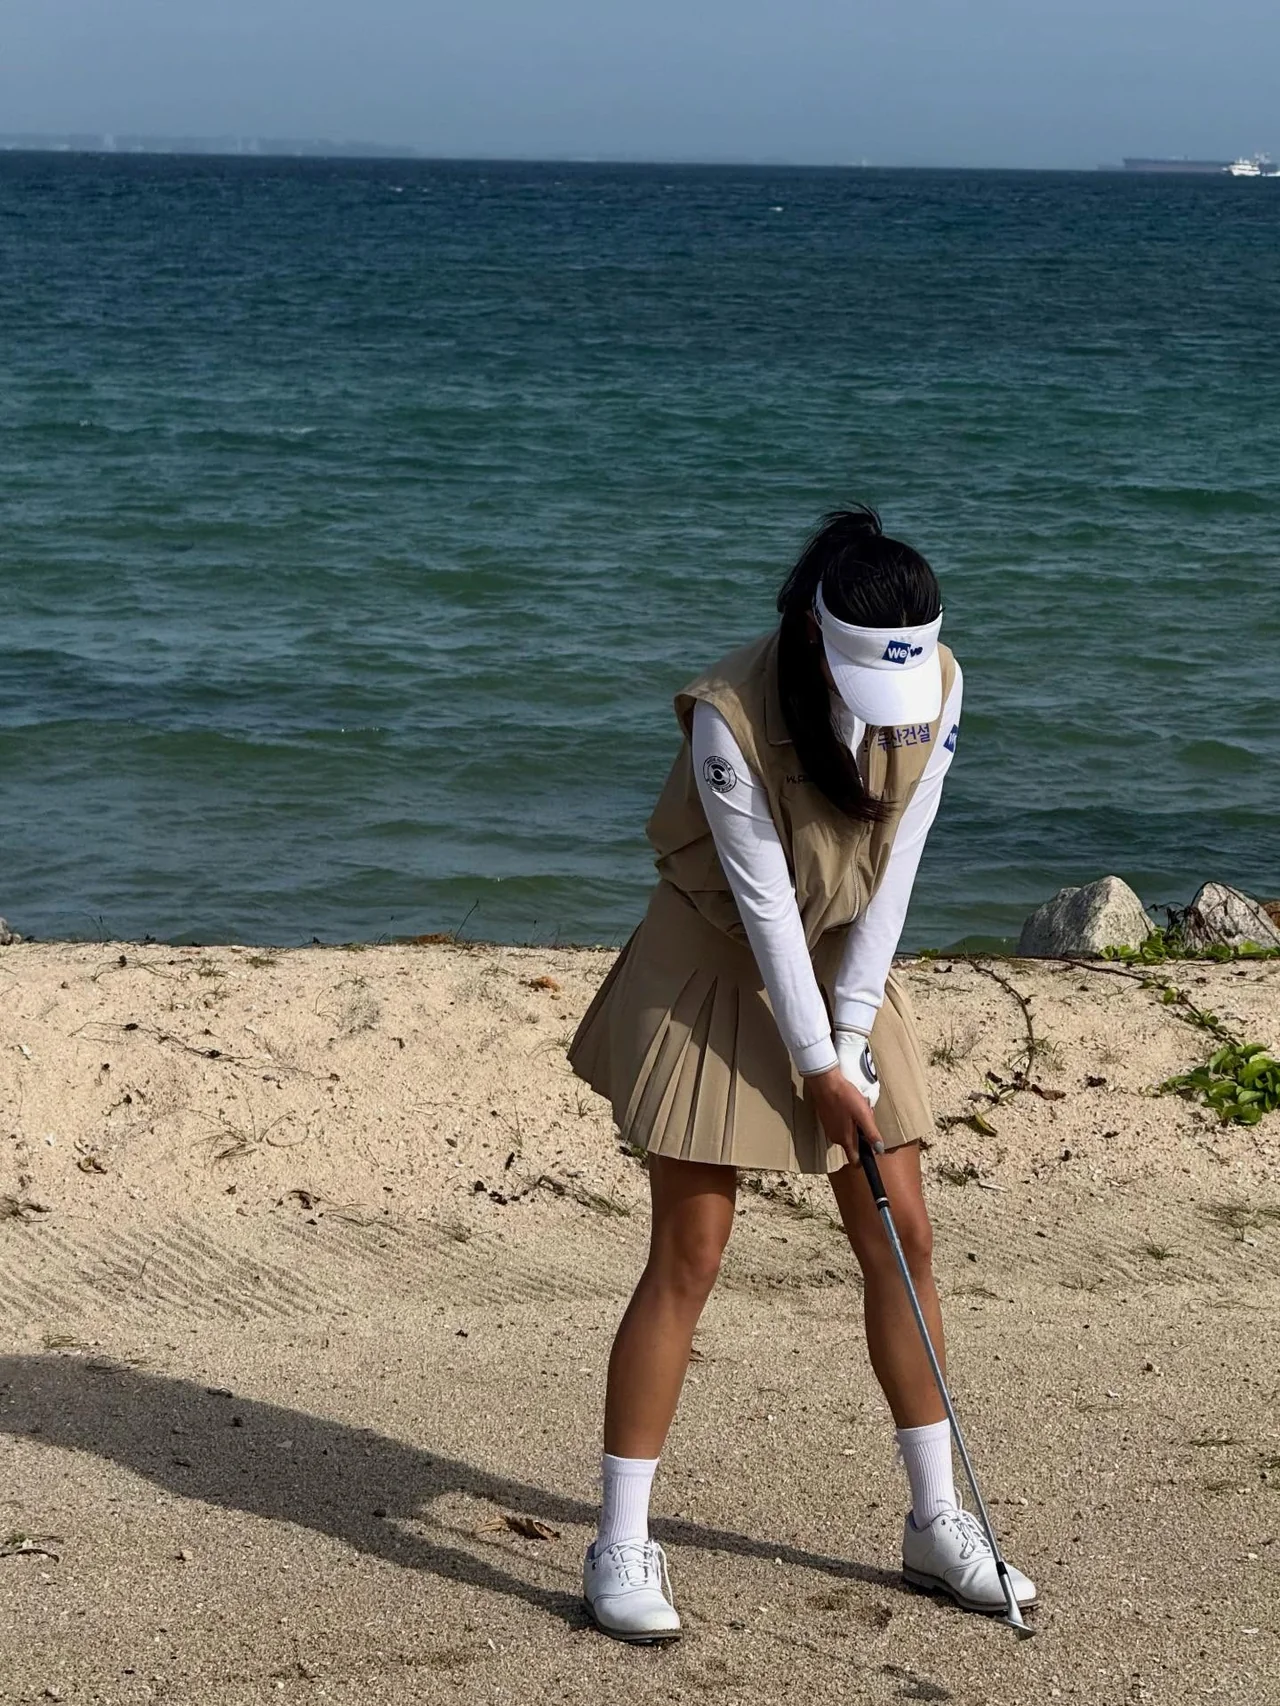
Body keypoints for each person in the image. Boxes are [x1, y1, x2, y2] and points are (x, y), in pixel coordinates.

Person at [568, 507, 1036, 1642]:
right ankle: (619, 1541)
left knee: (902, 1233)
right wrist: (819, 1065)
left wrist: (854, 1027)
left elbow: (894, 869)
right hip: (714, 954)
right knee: (691, 1248)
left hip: (843, 958)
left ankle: (935, 1523)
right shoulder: (727, 718)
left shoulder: (938, 687)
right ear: (817, 636)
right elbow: (763, 902)